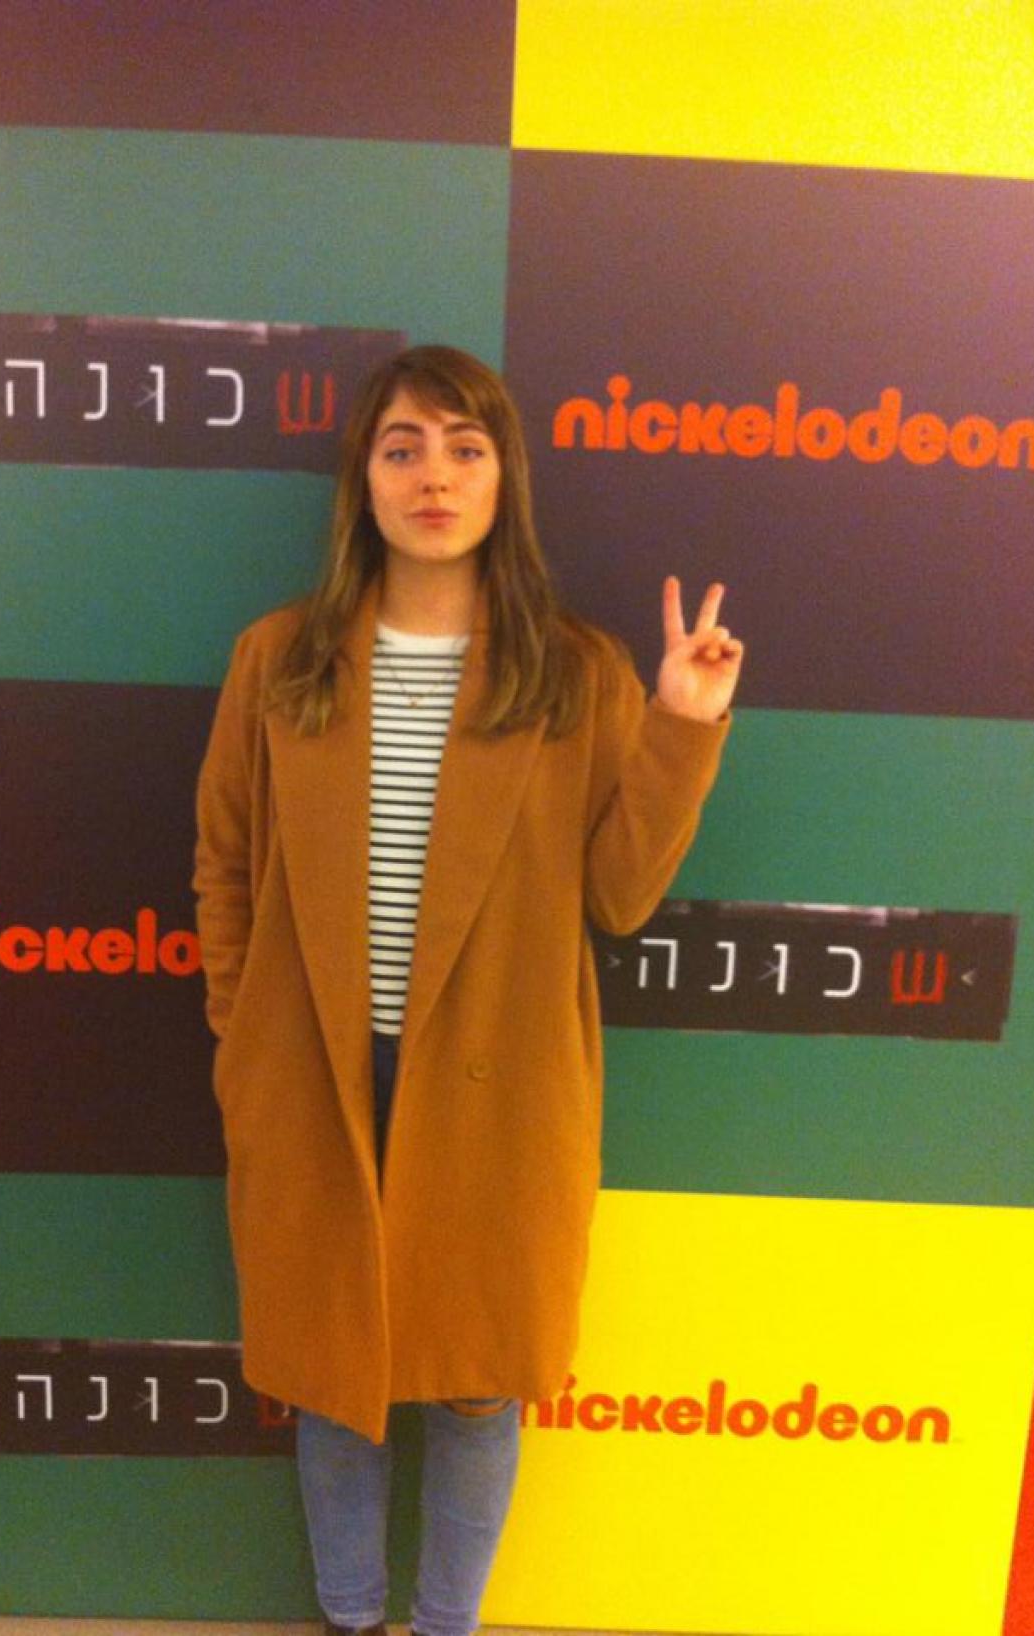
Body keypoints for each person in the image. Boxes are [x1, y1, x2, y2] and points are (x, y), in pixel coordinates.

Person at [192, 344, 743, 1636]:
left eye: (464, 447)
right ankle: (349, 1618)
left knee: (481, 1380)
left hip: (501, 1080)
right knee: (333, 1373)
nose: (432, 477)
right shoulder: (280, 658)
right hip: (319, 1074)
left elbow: (619, 897)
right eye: (402, 449)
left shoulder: (575, 670)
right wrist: (243, 1036)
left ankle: (447, 1626)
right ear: (363, 482)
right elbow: (224, 860)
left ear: (505, 480)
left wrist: (681, 723)